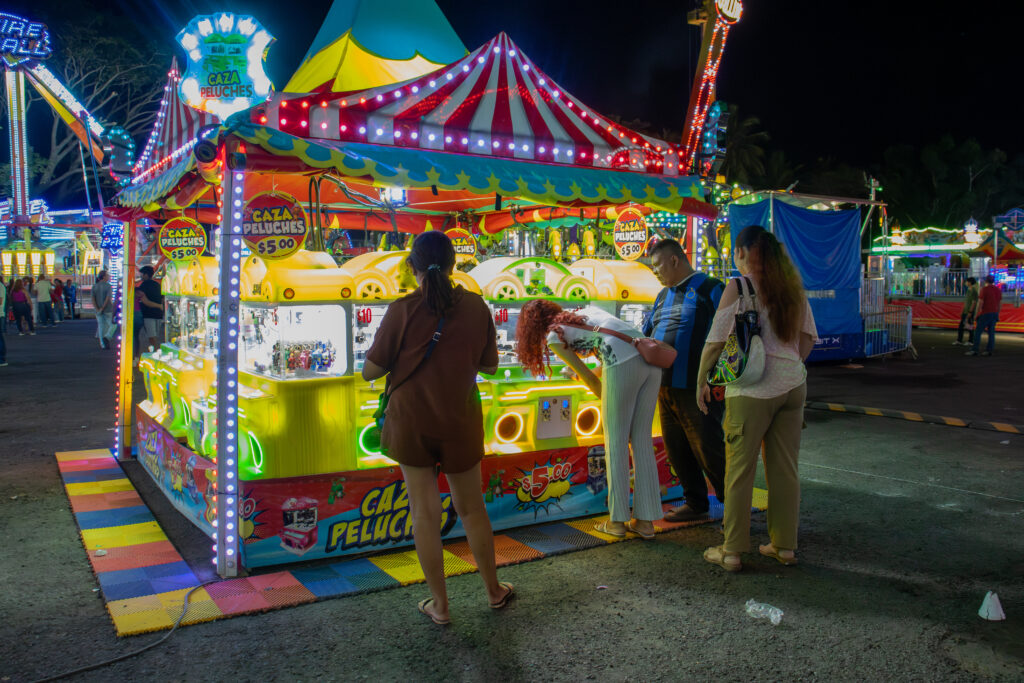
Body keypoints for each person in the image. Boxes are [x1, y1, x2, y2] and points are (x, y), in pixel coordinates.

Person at [362, 231, 512, 625]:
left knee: (424, 514)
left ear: (411, 266)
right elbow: (490, 366)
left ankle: (440, 606)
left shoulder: (402, 309)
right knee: (472, 508)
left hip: (411, 420)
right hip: (460, 418)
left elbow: (370, 371)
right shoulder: (476, 307)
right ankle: (494, 591)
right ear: (453, 264)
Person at [696, 225, 817, 572]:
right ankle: (784, 546)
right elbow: (808, 339)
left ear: (742, 252)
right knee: (785, 469)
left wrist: (703, 380)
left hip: (751, 391)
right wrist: (787, 366)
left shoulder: (739, 287)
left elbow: (716, 342)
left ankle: (732, 550)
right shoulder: (792, 289)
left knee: (739, 471)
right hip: (793, 387)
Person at [516, 299, 662, 540]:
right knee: (641, 441)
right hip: (651, 360)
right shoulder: (585, 314)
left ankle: (616, 522)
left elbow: (593, 380)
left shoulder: (554, 336)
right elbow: (616, 350)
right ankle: (645, 522)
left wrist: (612, 406)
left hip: (623, 362)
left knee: (616, 442)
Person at [644, 238, 727, 522]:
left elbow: (730, 335)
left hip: (698, 389)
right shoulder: (661, 296)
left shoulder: (711, 288)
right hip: (665, 387)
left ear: (675, 260)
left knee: (708, 448)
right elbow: (647, 332)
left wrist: (716, 380)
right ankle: (695, 503)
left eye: (657, 265)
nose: (655, 271)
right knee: (677, 449)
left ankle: (734, 505)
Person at [966, 275, 1002, 357]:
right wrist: (997, 313)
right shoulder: (997, 290)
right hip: (994, 313)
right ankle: (989, 350)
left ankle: (975, 349)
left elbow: (980, 303)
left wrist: (977, 314)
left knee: (978, 332)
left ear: (986, 281)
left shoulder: (984, 289)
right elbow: (1000, 303)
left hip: (985, 313)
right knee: (991, 333)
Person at [136, 265, 164, 352]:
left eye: (141, 274)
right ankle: (156, 350)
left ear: (146, 275)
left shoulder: (143, 285)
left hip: (148, 314)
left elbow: (145, 301)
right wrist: (160, 307)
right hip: (159, 314)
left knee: (151, 336)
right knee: (156, 335)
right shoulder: (158, 285)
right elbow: (162, 299)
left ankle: (155, 351)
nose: (140, 276)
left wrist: (158, 306)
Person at [91, 270, 115, 349]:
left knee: (101, 326)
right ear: (104, 276)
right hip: (107, 309)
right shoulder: (108, 286)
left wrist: (97, 309)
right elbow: (108, 298)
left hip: (97, 310)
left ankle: (102, 343)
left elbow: (93, 299)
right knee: (112, 325)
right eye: (107, 275)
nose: (109, 276)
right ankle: (107, 336)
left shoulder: (95, 286)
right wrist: (103, 308)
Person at [954, 277, 978, 346]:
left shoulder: (973, 291)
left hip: (969, 312)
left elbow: (974, 302)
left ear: (970, 282)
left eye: (967, 282)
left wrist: (970, 312)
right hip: (965, 311)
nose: (965, 283)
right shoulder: (968, 290)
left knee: (969, 326)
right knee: (961, 326)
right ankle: (959, 340)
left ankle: (970, 340)